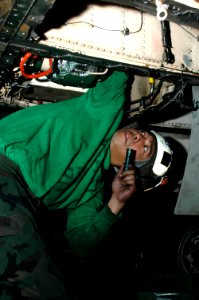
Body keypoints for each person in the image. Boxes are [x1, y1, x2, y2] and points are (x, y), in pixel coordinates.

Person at [0, 70, 172, 299]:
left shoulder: (90, 191)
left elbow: (79, 244)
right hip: (5, 168)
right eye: (144, 134)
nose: (140, 137)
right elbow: (118, 62)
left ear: (131, 169)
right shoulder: (107, 109)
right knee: (31, 275)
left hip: (18, 197)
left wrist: (116, 202)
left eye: (146, 149)